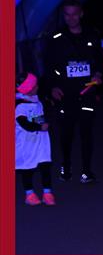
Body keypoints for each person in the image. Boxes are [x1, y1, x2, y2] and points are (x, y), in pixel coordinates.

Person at [43, 0, 103, 184]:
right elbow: (48, 65)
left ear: (81, 14)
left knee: (86, 133)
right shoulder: (56, 38)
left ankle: (86, 171)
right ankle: (66, 167)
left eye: (74, 14)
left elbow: (99, 60)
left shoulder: (92, 35)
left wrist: (98, 74)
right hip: (65, 93)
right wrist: (52, 87)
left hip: (87, 92)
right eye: (67, 15)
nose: (71, 18)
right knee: (66, 134)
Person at [16, 72, 55, 206]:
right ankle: (29, 194)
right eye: (34, 86)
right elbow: (24, 124)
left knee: (45, 166)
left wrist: (45, 120)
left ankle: (47, 193)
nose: (37, 87)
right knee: (27, 168)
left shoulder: (36, 100)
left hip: (41, 141)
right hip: (27, 143)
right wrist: (39, 127)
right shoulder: (20, 106)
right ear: (27, 89)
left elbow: (39, 116)